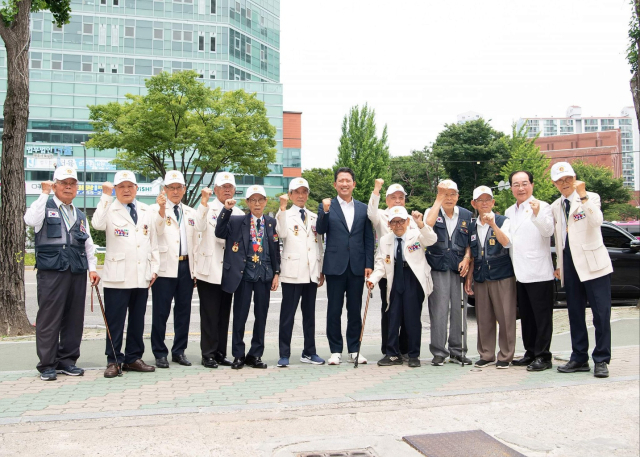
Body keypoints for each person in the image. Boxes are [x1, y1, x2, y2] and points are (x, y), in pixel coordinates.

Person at [24, 167, 100, 381]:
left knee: (74, 318)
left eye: (72, 183)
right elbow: (30, 220)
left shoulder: (80, 214)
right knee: (49, 318)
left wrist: (92, 268)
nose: (68, 187)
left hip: (76, 270)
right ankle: (47, 364)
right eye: (64, 183)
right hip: (52, 271)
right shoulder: (44, 205)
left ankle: (67, 360)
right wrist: (43, 193)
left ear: (76, 188)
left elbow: (88, 245)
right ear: (55, 185)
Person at [92, 171, 160, 378]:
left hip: (141, 274)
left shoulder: (145, 210)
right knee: (115, 321)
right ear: (115, 189)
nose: (126, 190)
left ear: (136, 188)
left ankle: (133, 358)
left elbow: (153, 241)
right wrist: (105, 196)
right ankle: (113, 360)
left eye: (130, 186)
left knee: (137, 319)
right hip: (118, 276)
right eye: (121, 186)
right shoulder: (109, 209)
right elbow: (96, 224)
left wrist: (154, 267)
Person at [549, 162, 613, 378]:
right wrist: (559, 265)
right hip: (570, 264)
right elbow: (559, 238)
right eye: (559, 180)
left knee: (601, 314)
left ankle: (602, 359)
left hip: (594, 263)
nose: (564, 183)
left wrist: (583, 195)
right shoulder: (555, 205)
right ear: (554, 183)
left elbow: (597, 221)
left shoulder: (590, 197)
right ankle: (579, 357)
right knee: (575, 313)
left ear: (575, 177)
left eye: (568, 178)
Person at [215, 185, 280, 369]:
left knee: (261, 317)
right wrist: (226, 210)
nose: (257, 203)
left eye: (260, 200)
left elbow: (275, 250)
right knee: (240, 316)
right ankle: (238, 355)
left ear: (266, 202)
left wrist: (276, 273)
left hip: (264, 276)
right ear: (248, 202)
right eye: (253, 200)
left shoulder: (270, 222)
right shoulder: (237, 221)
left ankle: (255, 354)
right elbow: (219, 232)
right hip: (243, 276)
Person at [316, 167, 374, 365]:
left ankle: (355, 349)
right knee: (334, 309)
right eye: (340, 181)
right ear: (335, 184)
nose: (344, 184)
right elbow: (321, 231)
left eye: (348, 180)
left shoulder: (363, 208)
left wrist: (369, 264)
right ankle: (335, 350)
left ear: (353, 184)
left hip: (357, 266)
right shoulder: (326, 206)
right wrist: (324, 212)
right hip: (335, 265)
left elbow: (368, 238)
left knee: (354, 310)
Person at [367, 207, 437, 368]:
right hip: (395, 277)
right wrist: (373, 279)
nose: (398, 225)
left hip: (413, 278)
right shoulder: (385, 240)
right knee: (393, 316)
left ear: (407, 221)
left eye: (401, 221)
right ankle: (392, 354)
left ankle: (413, 355)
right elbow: (380, 264)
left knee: (412, 318)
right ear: (389, 223)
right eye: (394, 222)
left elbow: (431, 239)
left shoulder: (417, 235)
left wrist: (421, 224)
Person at [505, 171, 555, 372]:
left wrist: (536, 214)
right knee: (526, 316)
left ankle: (543, 356)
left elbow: (548, 231)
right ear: (511, 189)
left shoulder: (543, 206)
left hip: (539, 271)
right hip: (520, 272)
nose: (521, 188)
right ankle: (530, 351)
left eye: (524, 183)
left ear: (532, 185)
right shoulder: (509, 211)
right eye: (516, 185)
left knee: (541, 317)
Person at [193, 172, 244, 368]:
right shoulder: (208, 207)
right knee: (209, 314)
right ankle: (208, 354)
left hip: (229, 270)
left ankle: (221, 353)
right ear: (215, 190)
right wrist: (203, 203)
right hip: (209, 268)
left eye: (230, 187)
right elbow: (198, 226)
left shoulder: (239, 212)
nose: (227, 190)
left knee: (224, 314)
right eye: (223, 187)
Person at [149, 171, 197, 368]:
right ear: (165, 190)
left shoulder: (191, 212)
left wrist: (195, 271)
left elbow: (196, 242)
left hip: (186, 265)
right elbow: (156, 231)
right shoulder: (155, 209)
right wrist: (161, 209)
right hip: (165, 267)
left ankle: (179, 351)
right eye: (171, 188)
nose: (175, 191)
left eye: (179, 187)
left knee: (184, 312)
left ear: (184, 190)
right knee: (161, 312)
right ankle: (160, 353)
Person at [465, 186, 517, 369]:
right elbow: (472, 252)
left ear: (493, 203)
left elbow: (506, 242)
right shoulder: (472, 225)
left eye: (488, 200)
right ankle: (486, 354)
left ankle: (506, 355)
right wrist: (469, 276)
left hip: (502, 274)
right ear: (474, 204)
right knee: (484, 317)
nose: (485, 203)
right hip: (481, 275)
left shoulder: (503, 221)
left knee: (505, 316)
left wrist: (493, 224)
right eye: (481, 200)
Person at [275, 178, 325, 367]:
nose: (301, 195)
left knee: (309, 315)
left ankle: (309, 352)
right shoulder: (285, 215)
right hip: (292, 272)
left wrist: (321, 270)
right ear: (290, 195)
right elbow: (281, 233)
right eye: (297, 192)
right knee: (287, 315)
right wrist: (281, 209)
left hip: (311, 272)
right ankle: (284, 353)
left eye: (304, 192)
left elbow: (319, 245)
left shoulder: (314, 217)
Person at [423, 180, 473, 367]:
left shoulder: (467, 215)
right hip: (438, 266)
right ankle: (438, 352)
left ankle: (458, 351)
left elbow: (470, 242)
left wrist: (467, 257)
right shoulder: (432, 211)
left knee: (460, 312)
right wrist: (438, 200)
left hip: (459, 267)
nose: (449, 198)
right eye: (445, 193)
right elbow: (427, 226)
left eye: (452, 194)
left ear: (458, 196)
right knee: (439, 310)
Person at [367, 179, 417, 359]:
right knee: (389, 311)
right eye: (393, 197)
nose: (397, 200)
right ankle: (389, 349)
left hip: (408, 270)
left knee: (407, 311)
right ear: (387, 200)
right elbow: (371, 212)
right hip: (387, 269)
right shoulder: (381, 215)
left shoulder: (409, 218)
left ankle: (403, 349)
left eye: (401, 197)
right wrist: (377, 189)